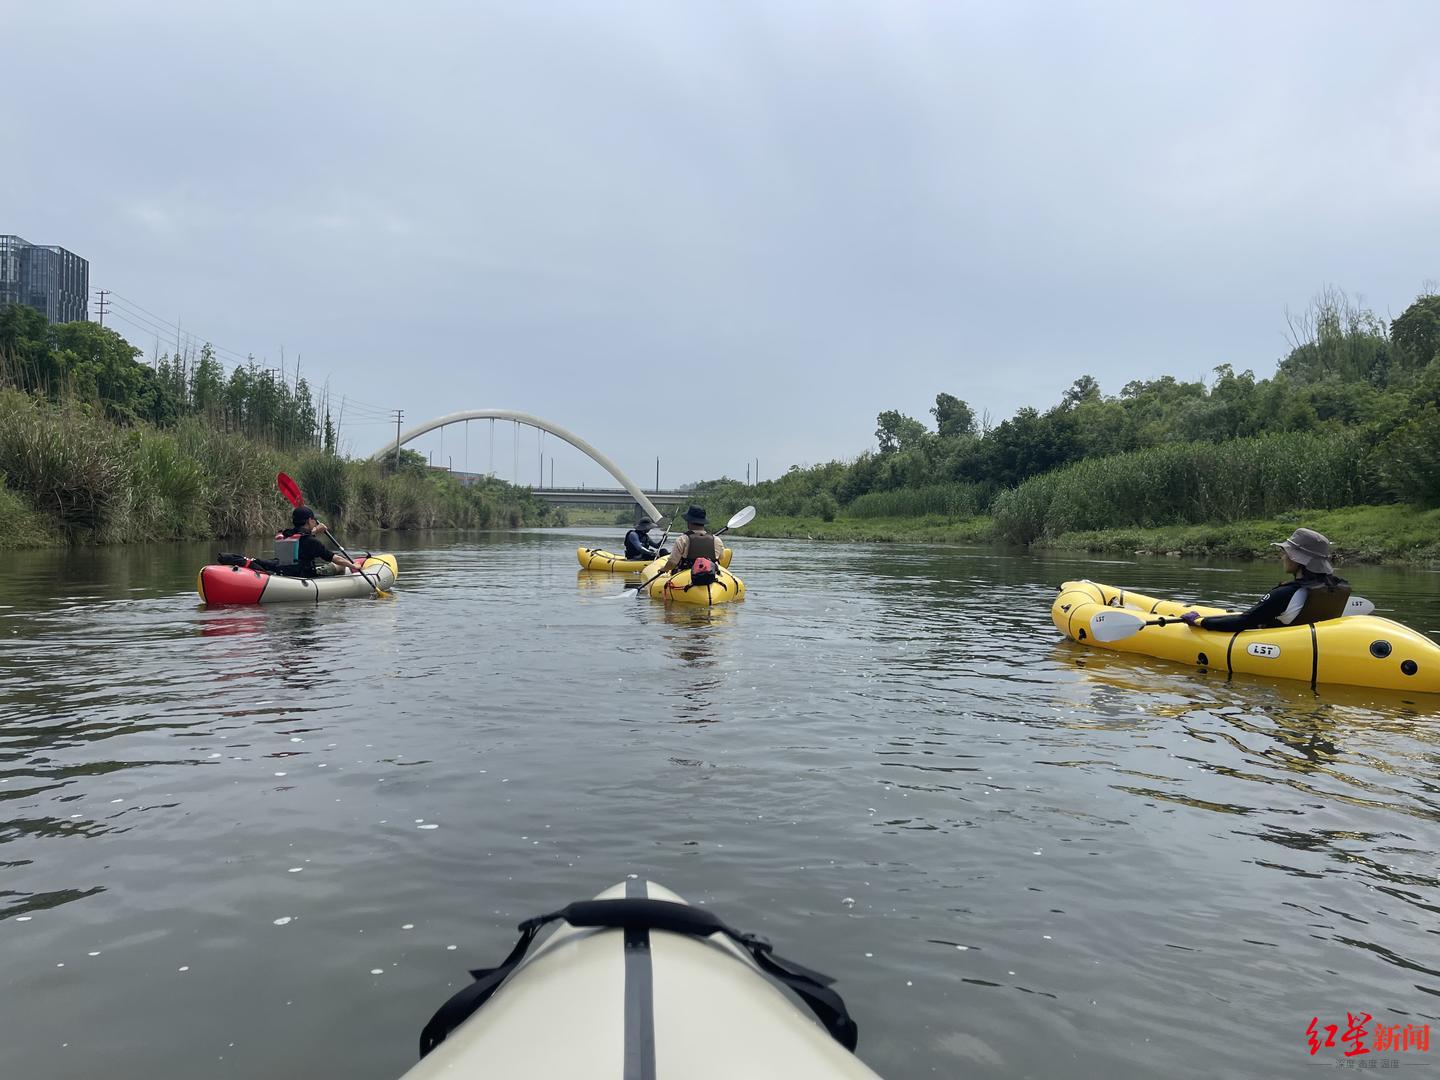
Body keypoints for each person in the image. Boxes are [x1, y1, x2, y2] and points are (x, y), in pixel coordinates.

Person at [1180, 527, 1350, 632]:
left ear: (1297, 559)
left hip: (1281, 646)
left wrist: (1200, 621)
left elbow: (1243, 621)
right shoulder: (1337, 587)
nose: (1283, 556)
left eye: (1286, 553)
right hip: (1307, 642)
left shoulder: (1285, 593)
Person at [276, 506, 367, 577]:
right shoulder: (312, 542)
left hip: (286, 572)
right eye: (314, 520)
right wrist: (354, 566)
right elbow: (335, 559)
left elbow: (301, 535)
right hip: (306, 575)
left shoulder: (284, 535)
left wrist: (314, 530)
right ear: (309, 520)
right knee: (340, 565)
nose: (315, 522)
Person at [662, 506, 726, 578]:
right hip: (710, 574)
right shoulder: (716, 539)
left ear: (689, 522)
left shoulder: (682, 539)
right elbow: (721, 557)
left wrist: (664, 569)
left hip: (684, 575)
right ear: (703, 522)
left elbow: (672, 563)